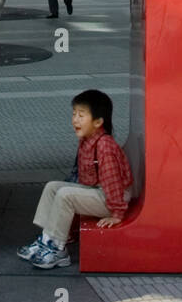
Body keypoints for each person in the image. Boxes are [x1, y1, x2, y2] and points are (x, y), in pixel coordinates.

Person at [17, 89, 133, 269]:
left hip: (112, 198)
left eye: (81, 115)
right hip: (99, 190)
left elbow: (113, 183)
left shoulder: (105, 146)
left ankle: (58, 250)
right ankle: (46, 239)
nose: (75, 119)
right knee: (52, 187)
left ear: (98, 122)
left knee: (65, 195)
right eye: (74, 114)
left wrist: (116, 214)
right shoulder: (86, 140)